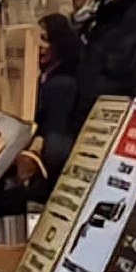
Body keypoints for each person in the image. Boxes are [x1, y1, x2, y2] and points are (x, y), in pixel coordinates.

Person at [34, 12, 84, 184]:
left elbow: (55, 135)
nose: (39, 45)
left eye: (45, 39)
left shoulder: (62, 83)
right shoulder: (45, 74)